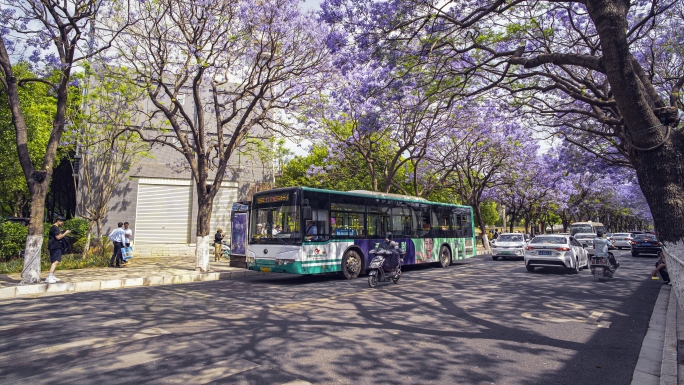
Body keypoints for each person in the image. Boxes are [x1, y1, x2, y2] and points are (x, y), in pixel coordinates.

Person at [45, 216, 70, 284]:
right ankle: (49, 277)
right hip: (55, 246)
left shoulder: (55, 228)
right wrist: (66, 233)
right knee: (55, 261)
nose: (62, 223)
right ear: (58, 221)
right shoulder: (55, 228)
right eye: (62, 222)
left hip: (55, 246)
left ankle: (52, 275)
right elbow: (58, 237)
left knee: (54, 261)